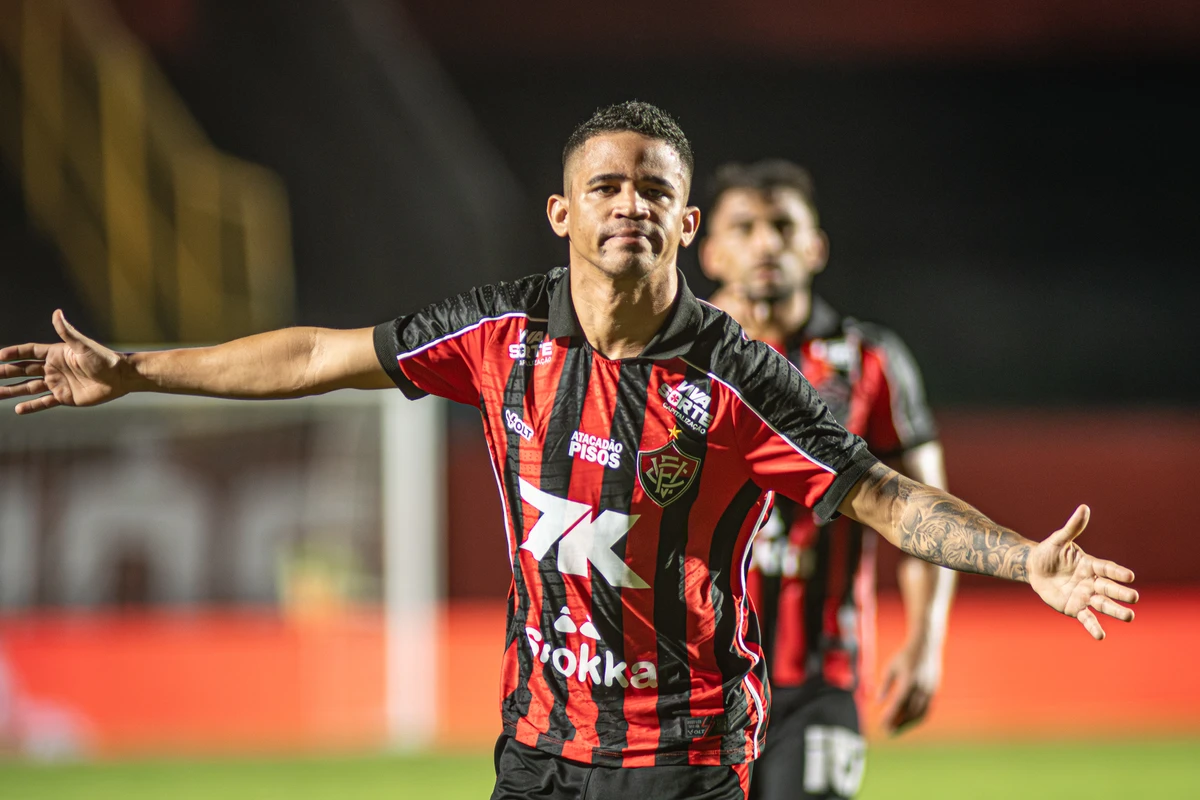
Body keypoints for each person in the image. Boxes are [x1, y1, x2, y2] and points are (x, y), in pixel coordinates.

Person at [0, 101, 1137, 800]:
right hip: (537, 749)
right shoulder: (499, 334)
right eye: (608, 184)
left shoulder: (737, 375)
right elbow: (313, 356)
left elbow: (884, 495)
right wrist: (135, 370)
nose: (630, 203)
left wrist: (1022, 558)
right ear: (563, 212)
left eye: (656, 189)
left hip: (683, 754)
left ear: (688, 224)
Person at [700, 160, 955, 800]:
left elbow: (930, 513)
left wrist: (926, 643)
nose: (765, 243)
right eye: (746, 226)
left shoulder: (870, 362)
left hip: (818, 680)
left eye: (783, 226)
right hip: (690, 681)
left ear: (815, 247)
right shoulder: (672, 361)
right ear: (708, 250)